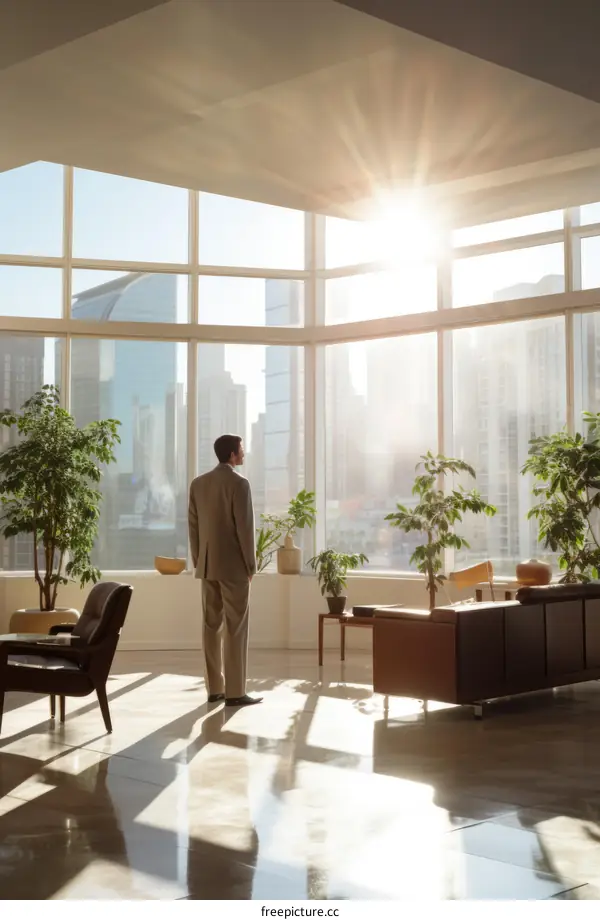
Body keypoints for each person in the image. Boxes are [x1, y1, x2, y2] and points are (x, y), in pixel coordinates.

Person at [188, 434, 262, 707]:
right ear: (232, 454)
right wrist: (251, 565)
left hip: (207, 565)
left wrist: (198, 560)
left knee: (210, 626)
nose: (243, 453)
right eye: (241, 450)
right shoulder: (239, 484)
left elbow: (193, 526)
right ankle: (235, 692)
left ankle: (214, 689)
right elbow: (245, 528)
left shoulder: (198, 484)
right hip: (233, 567)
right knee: (236, 627)